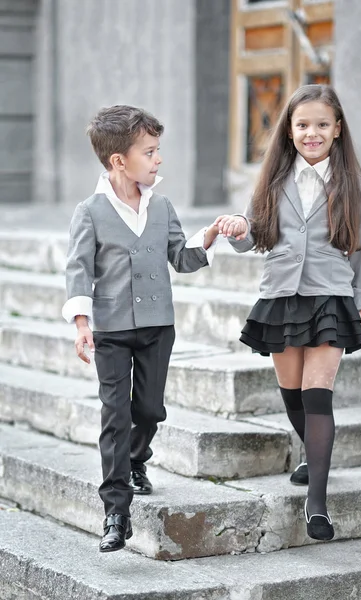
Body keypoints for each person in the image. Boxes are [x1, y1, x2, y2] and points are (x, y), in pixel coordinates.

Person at [215, 84, 361, 542]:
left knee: (317, 394)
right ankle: (312, 452)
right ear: (289, 130)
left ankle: (317, 505)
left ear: (337, 130)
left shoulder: (351, 184)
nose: (312, 133)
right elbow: (252, 236)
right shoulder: (272, 180)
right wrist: (235, 228)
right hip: (281, 295)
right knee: (292, 395)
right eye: (303, 124)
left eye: (322, 125)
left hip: (331, 294)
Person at [62, 105, 218, 553]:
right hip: (110, 329)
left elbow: (181, 259)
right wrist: (81, 323)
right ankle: (116, 511)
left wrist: (204, 240)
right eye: (150, 152)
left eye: (157, 150)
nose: (158, 159)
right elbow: (78, 270)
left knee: (148, 410)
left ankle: (136, 458)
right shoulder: (89, 211)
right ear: (118, 161)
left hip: (156, 326)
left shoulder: (162, 205)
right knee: (116, 415)